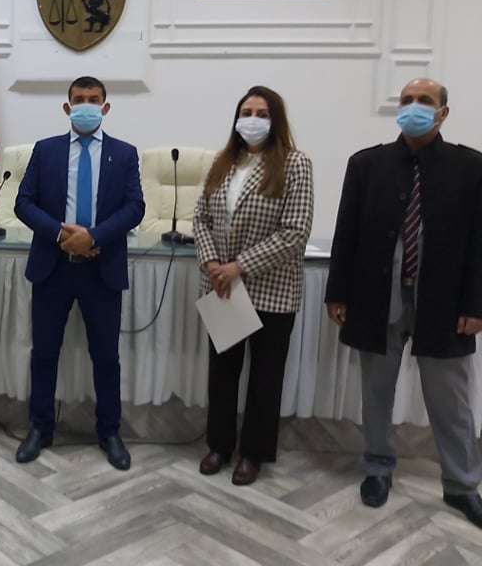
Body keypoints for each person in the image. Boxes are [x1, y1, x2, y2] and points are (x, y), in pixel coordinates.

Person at [325, 77, 482, 527]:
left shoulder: (471, 167)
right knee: (376, 393)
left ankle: (461, 485)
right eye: (407, 100)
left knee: (451, 401)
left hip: (444, 306)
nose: (414, 106)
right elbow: (346, 233)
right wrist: (337, 292)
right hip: (376, 300)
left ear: (443, 113)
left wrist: (476, 303)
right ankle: (377, 468)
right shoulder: (366, 164)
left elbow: (479, 242)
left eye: (424, 101)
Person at [13, 76, 144, 471]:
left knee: (105, 357)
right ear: (67, 107)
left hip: (101, 269)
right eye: (79, 99)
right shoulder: (46, 150)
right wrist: (61, 235)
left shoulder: (124, 154)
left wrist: (93, 237)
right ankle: (40, 428)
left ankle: (109, 431)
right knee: (44, 354)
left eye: (93, 99)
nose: (86, 105)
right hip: (52, 268)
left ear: (105, 107)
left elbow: (134, 207)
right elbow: (24, 203)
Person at [193, 85, 314, 486]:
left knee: (265, 377)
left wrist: (239, 266)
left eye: (262, 113)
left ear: (275, 120)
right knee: (222, 373)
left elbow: (294, 231)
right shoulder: (222, 162)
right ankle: (219, 446)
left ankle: (254, 453)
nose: (253, 119)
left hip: (271, 289)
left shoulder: (295, 164)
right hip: (223, 287)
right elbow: (201, 219)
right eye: (246, 112)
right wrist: (213, 262)